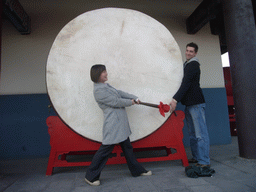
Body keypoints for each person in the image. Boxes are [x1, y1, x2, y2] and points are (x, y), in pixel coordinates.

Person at [85, 64, 152, 186]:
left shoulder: (104, 86)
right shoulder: (99, 91)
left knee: (127, 148)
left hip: (120, 123)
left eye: (105, 71)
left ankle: (137, 171)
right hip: (113, 125)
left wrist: (134, 97)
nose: (106, 73)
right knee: (105, 151)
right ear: (97, 74)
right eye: (103, 72)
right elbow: (116, 101)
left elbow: (118, 93)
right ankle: (90, 176)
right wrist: (131, 102)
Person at [169, 42, 210, 167]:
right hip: (190, 104)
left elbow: (185, 84)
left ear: (195, 53)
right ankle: (197, 158)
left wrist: (175, 100)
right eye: (187, 50)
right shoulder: (187, 65)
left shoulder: (193, 65)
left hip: (196, 104)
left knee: (200, 134)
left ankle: (204, 161)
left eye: (191, 51)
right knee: (193, 134)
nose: (188, 53)